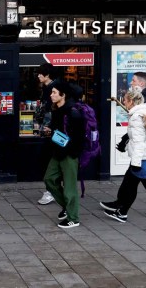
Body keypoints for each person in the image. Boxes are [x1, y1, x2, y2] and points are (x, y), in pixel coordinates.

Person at [100, 89, 146, 232]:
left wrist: (136, 163)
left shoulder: (136, 117)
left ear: (132, 101)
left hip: (143, 160)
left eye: (125, 100)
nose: (124, 103)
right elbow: (141, 136)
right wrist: (125, 143)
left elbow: (139, 142)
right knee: (130, 185)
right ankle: (122, 212)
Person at [43, 82, 85, 229]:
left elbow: (78, 137)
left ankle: (73, 218)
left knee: (69, 188)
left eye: (54, 92)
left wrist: (72, 153)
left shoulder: (72, 112)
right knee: (49, 179)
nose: (51, 95)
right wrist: (51, 131)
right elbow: (59, 131)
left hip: (69, 154)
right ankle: (67, 207)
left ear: (63, 95)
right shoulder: (57, 109)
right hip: (58, 152)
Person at [35, 63, 58, 206]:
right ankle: (53, 189)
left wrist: (48, 127)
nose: (38, 75)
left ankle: (51, 191)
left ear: (47, 75)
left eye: (40, 73)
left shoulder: (53, 89)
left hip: (52, 131)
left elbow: (53, 111)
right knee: (49, 159)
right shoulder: (46, 88)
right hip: (49, 129)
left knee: (50, 159)